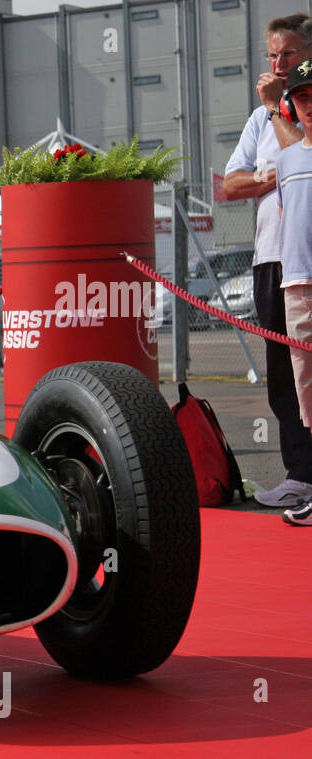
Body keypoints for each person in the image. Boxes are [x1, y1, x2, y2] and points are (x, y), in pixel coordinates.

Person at [222, 13, 312, 510]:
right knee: (283, 371)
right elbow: (232, 184)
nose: (278, 65)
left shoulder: (294, 111)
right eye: (272, 55)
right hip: (273, 257)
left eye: (289, 54)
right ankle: (300, 472)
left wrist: (282, 162)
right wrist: (276, 176)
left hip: (307, 257)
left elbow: (301, 156)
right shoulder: (262, 118)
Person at [275, 57, 312, 525]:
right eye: (303, 98)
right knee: (307, 395)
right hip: (297, 286)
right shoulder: (286, 160)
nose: (310, 106)